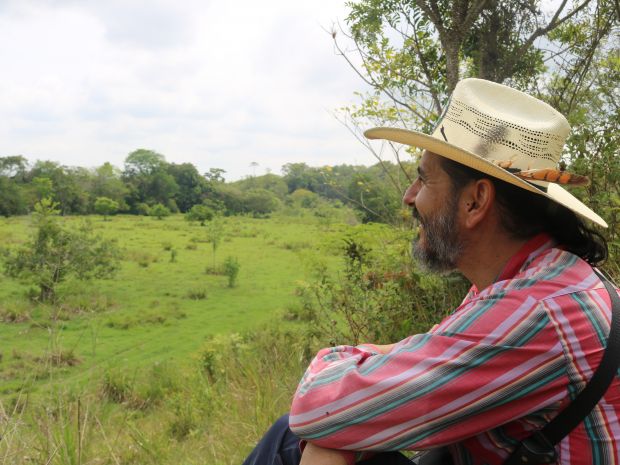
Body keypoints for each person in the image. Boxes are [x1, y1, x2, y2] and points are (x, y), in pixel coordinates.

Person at [242, 78, 619, 465]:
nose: (409, 196)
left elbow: (314, 406)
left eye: (423, 178)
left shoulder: (536, 312)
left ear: (475, 201)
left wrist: (340, 361)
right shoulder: (537, 279)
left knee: (300, 436)